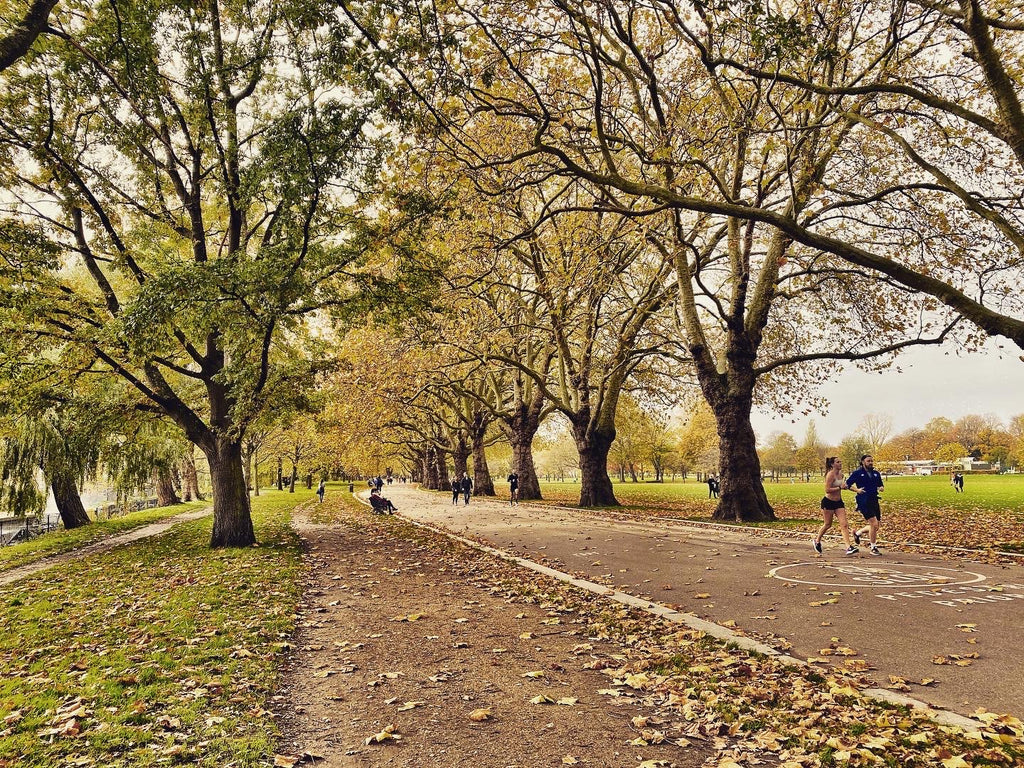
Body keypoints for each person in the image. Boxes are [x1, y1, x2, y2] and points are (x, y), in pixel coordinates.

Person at [813, 457, 857, 555]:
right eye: (838, 462)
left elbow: (845, 486)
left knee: (844, 524)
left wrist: (857, 490)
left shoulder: (841, 474)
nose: (840, 463)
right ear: (832, 464)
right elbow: (827, 490)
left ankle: (848, 547)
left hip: (839, 503)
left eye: (840, 461)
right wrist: (839, 487)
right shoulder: (830, 475)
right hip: (828, 502)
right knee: (828, 524)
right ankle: (817, 541)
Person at [846, 454, 884, 556]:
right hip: (863, 500)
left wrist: (881, 487)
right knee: (874, 524)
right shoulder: (858, 473)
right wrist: (857, 490)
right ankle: (873, 548)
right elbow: (847, 484)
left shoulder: (876, 473)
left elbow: (880, 484)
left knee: (876, 527)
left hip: (874, 500)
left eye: (872, 461)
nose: (871, 463)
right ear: (863, 462)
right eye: (868, 461)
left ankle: (858, 533)